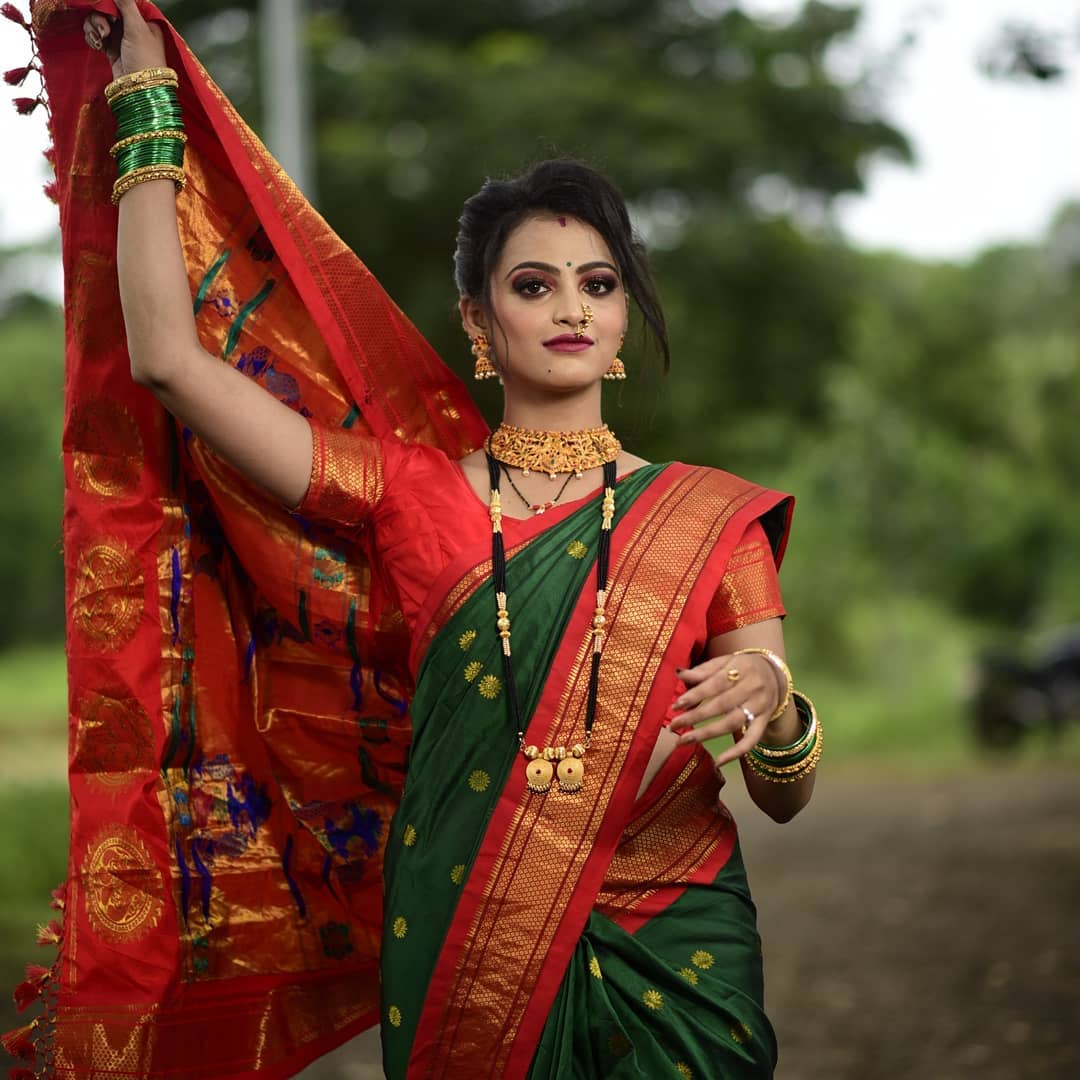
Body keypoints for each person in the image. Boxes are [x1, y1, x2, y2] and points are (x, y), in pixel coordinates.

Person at [8, 2, 817, 1077]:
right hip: (466, 949)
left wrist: (778, 713)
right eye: (533, 284)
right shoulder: (403, 492)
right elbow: (168, 360)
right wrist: (146, 92)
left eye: (599, 283)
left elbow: (785, 795)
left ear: (622, 319)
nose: (570, 308)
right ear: (480, 323)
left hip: (680, 946)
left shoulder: (710, 521)